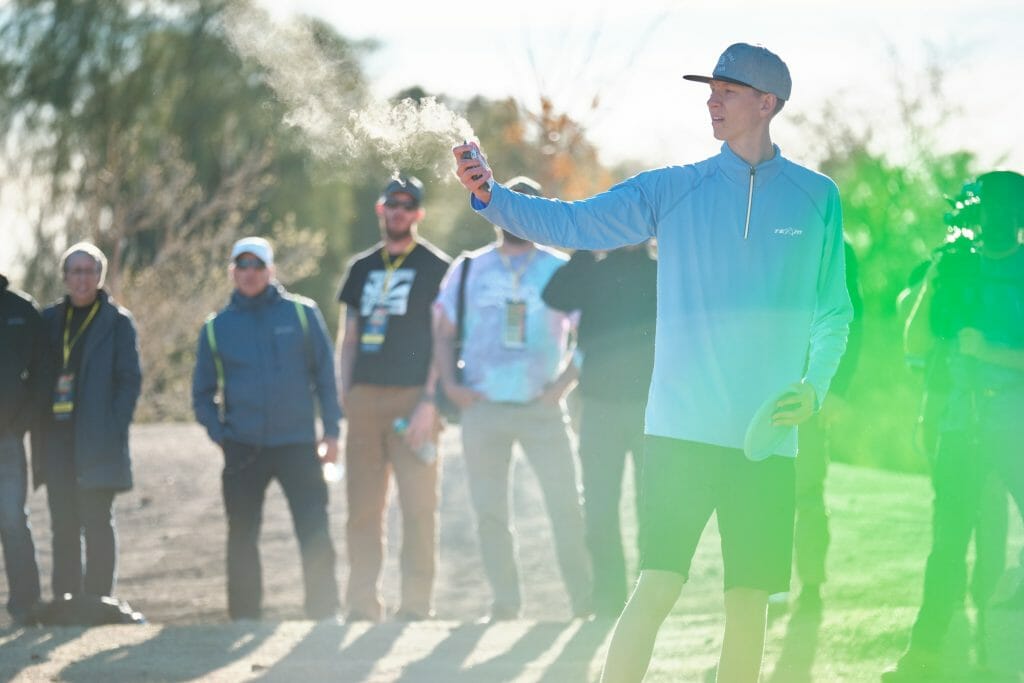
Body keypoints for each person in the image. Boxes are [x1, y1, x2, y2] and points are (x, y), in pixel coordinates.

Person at [454, 42, 851, 683]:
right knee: (657, 587)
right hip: (680, 431)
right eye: (710, 88)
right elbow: (575, 223)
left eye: (726, 90)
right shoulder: (674, 188)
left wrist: (814, 387)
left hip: (767, 439)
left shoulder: (816, 198)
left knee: (749, 603)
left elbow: (834, 311)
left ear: (766, 103)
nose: (711, 100)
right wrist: (491, 197)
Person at [885, 171, 1024, 681]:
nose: (997, 219)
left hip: (1017, 423)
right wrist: (935, 278)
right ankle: (924, 656)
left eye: (1007, 210)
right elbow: (918, 342)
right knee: (947, 546)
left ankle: (1003, 656)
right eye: (989, 209)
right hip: (962, 422)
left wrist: (990, 352)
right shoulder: (954, 269)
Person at [434, 176, 594, 622]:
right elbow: (442, 331)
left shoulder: (560, 268)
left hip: (541, 409)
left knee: (565, 505)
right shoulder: (469, 268)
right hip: (481, 408)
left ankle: (584, 604)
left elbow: (590, 334)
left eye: (524, 206)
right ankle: (505, 605)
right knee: (490, 513)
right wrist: (450, 384)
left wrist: (562, 384)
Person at [192, 236, 341, 620]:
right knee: (241, 536)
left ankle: (324, 615)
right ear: (232, 272)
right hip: (243, 448)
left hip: (297, 444)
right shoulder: (216, 328)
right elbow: (202, 393)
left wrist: (332, 432)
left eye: (257, 266)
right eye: (242, 266)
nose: (250, 274)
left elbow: (326, 378)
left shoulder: (303, 315)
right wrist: (220, 434)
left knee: (314, 531)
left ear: (271, 271)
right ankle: (244, 618)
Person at [336, 176, 450, 621]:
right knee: (362, 508)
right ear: (380, 210)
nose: (399, 211)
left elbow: (444, 338)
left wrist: (430, 400)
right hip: (364, 398)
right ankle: (362, 604)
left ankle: (417, 606)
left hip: (414, 401)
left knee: (419, 507)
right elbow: (349, 336)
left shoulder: (437, 267)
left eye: (408, 205)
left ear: (418, 213)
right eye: (392, 204)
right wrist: (346, 393)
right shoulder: (362, 267)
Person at [541, 243, 657, 619]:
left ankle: (648, 599)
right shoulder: (593, 270)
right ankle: (609, 600)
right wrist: (587, 249)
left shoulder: (661, 271)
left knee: (650, 506)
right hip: (600, 407)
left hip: (650, 407)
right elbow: (553, 295)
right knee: (599, 508)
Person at [33, 242, 142, 602]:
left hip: (98, 439)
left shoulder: (117, 322)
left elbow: (130, 380)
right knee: (62, 523)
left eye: (90, 271)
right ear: (65, 277)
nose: (83, 279)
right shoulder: (48, 320)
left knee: (96, 521)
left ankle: (97, 600)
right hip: (57, 440)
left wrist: (114, 426)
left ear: (100, 276)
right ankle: (65, 598)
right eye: (76, 271)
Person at [782, 240, 863, 615]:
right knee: (759, 492)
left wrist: (837, 389)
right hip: (760, 384)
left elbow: (851, 318)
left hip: (811, 387)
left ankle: (811, 583)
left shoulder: (836, 249)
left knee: (808, 491)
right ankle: (767, 584)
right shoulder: (756, 237)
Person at [0, 273, 44, 625]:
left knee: (12, 519)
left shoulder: (21, 309)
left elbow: (42, 372)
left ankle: (26, 605)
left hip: (7, 439)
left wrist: (21, 422)